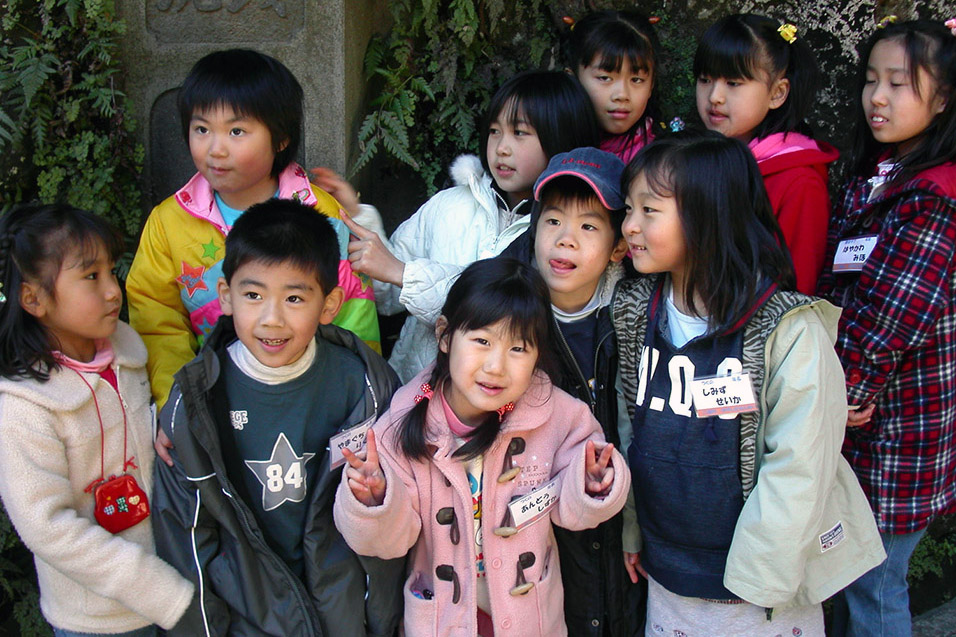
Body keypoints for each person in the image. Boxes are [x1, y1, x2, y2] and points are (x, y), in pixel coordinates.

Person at [615, 132, 885, 636]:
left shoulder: (789, 330)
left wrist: (758, 582)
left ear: (708, 214)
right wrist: (634, 528)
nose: (629, 226)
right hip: (668, 570)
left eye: (649, 211)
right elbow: (630, 429)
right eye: (628, 209)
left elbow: (800, 468)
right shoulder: (635, 311)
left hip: (758, 590)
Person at [333, 258, 630, 636]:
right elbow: (389, 543)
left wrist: (595, 482)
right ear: (444, 335)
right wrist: (373, 500)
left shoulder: (557, 415)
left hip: (529, 616)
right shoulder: (402, 424)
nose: (495, 366)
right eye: (482, 341)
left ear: (539, 353)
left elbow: (574, 512)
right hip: (443, 617)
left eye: (518, 349)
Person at [150, 199, 404, 636]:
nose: (271, 318)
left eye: (293, 297)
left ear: (329, 304)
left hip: (344, 612)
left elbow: (396, 514)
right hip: (250, 614)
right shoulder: (197, 403)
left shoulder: (364, 386)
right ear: (225, 296)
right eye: (253, 295)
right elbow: (186, 537)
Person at [127, 48, 380, 410]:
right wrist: (179, 403)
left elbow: (353, 311)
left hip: (313, 395)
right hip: (215, 396)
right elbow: (157, 322)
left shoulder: (320, 213)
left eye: (236, 131)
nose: (215, 149)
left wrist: (359, 399)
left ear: (280, 138)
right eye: (202, 129)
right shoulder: (169, 222)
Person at [317, 70, 600, 383]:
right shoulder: (449, 205)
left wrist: (403, 272)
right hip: (413, 395)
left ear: (561, 137)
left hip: (496, 408)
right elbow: (384, 297)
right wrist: (356, 217)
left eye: (520, 133)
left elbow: (489, 317)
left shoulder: (558, 236)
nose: (502, 148)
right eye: (494, 131)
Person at [816, 19, 956, 637]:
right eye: (871, 80)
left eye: (900, 84)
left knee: (874, 583)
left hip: (896, 427)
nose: (878, 97)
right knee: (848, 575)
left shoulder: (935, 195)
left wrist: (843, 392)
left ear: (944, 98)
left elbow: (891, 318)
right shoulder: (880, 171)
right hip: (863, 424)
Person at [0, 203, 194, 637]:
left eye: (111, 271)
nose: (113, 291)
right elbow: (47, 527)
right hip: (97, 618)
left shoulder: (127, 353)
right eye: (91, 276)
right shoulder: (24, 405)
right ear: (33, 298)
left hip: (174, 583)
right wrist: (155, 588)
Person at [501, 147, 641, 636]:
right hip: (529, 520)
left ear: (618, 246)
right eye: (553, 221)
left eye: (588, 227)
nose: (565, 240)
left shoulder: (632, 313)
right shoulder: (509, 317)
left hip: (612, 508)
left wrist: (634, 525)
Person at [695, 14, 839, 294]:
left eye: (733, 83)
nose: (715, 96)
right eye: (705, 79)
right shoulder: (694, 159)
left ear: (777, 93)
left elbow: (797, 290)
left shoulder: (799, 182)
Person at [565, 9, 661, 163]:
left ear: (651, 85)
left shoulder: (660, 160)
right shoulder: (550, 144)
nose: (622, 95)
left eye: (636, 80)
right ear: (573, 79)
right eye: (605, 78)